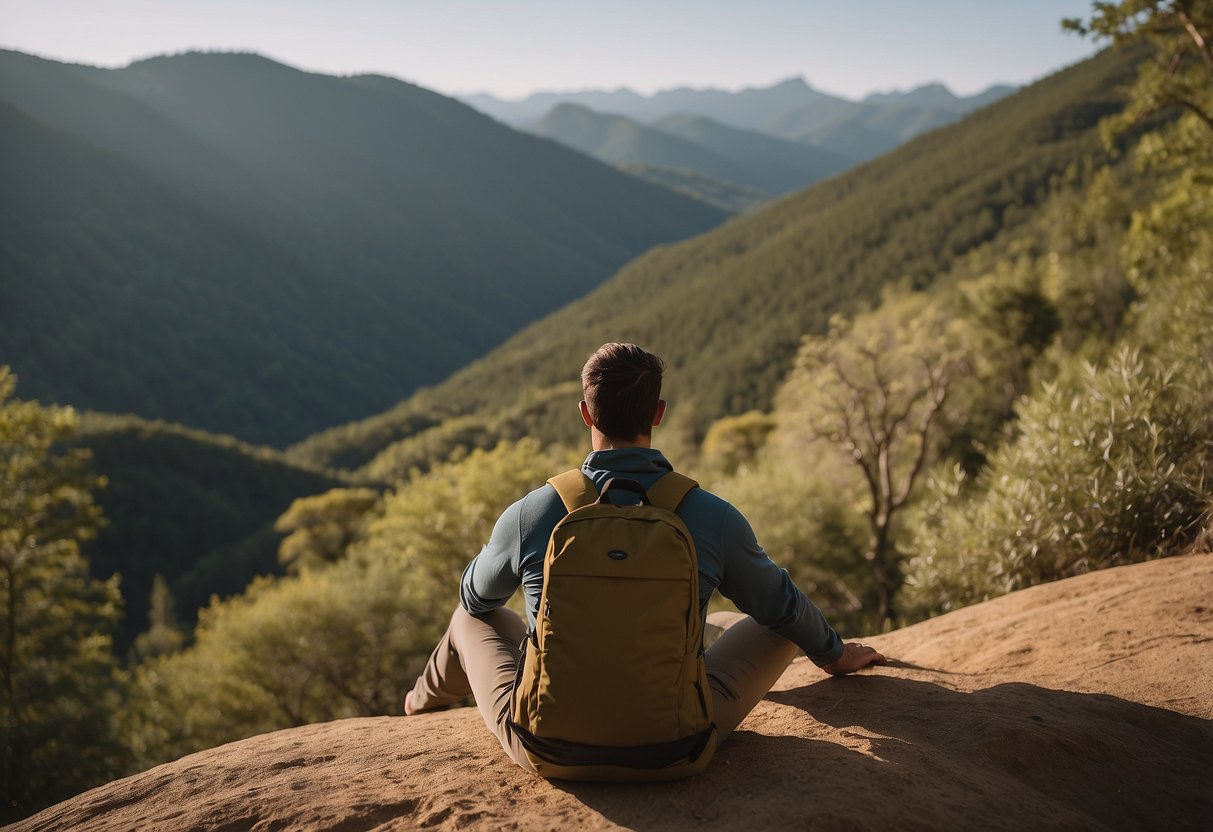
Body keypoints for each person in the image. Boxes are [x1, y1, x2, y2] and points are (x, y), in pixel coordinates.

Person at [404, 342, 884, 773]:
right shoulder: (710, 515)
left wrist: (508, 550)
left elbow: (475, 597)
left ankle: (418, 703)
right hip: (677, 746)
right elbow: (783, 607)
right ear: (657, 413)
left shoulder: (534, 512)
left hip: (546, 746)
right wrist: (835, 654)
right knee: (774, 618)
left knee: (473, 619)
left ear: (586, 414)